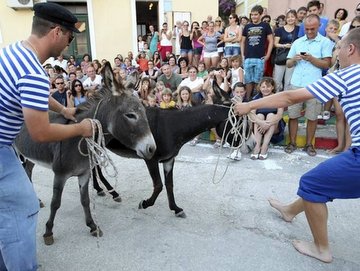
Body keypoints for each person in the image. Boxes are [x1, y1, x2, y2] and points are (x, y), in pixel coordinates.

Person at [234, 27, 360, 264]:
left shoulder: (348, 74)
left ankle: (322, 249)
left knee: (312, 183)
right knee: (325, 181)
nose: (336, 53)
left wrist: (250, 106)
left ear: (351, 49)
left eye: (339, 47)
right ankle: (290, 210)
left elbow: (290, 97)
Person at [0, 3, 94, 270]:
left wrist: (64, 109)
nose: (69, 44)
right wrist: (80, 128)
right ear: (55, 32)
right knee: (23, 206)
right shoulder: (34, 73)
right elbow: (40, 132)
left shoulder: (14, 52)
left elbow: (33, 97)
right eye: (69, 37)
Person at [284, 14, 333, 156]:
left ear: (319, 26)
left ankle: (309, 145)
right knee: (293, 115)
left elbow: (327, 64)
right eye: (307, 29)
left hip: (315, 85)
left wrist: (311, 59)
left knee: (312, 117)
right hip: (296, 83)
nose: (310, 31)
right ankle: (292, 142)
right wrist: (294, 59)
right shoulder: (297, 42)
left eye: (312, 29)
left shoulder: (325, 42)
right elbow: (287, 63)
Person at [241, 5, 274, 101]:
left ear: (260, 15)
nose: (253, 17)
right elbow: (242, 41)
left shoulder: (265, 26)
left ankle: (256, 99)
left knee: (258, 80)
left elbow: (271, 41)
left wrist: (267, 55)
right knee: (248, 80)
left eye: (256, 15)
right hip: (248, 57)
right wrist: (243, 55)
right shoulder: (247, 26)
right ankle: (248, 99)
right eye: (252, 15)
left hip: (260, 57)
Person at [249, 77, 285, 160]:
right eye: (263, 87)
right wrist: (262, 123)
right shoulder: (256, 98)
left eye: (268, 86)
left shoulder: (278, 98)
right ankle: (257, 146)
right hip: (260, 125)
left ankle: (265, 146)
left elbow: (279, 115)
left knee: (271, 115)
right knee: (259, 116)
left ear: (272, 87)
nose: (265, 89)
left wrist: (267, 124)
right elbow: (252, 115)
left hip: (274, 126)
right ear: (260, 87)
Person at [273, 9, 299, 92]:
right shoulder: (279, 30)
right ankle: (276, 100)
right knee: (277, 80)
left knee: (288, 81)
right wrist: (284, 46)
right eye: (288, 17)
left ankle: (286, 102)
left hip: (293, 57)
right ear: (286, 19)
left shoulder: (299, 29)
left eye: (292, 17)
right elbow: (275, 43)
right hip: (281, 56)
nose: (290, 19)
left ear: (295, 18)